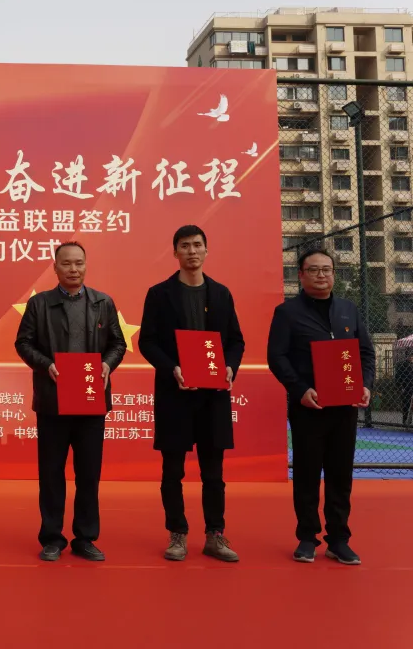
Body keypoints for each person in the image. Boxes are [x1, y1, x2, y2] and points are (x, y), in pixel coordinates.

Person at [137, 225, 244, 563]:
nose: (192, 251)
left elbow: (236, 341)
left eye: (197, 245)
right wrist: (172, 368)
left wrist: (230, 367)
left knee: (214, 472)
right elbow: (147, 342)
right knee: (173, 471)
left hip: (213, 396)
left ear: (206, 250)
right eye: (185, 246)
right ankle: (177, 533)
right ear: (175, 252)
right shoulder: (159, 294)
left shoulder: (222, 294)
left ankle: (215, 534)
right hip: (175, 394)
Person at [15, 241, 126, 562]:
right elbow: (23, 343)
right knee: (51, 474)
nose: (73, 269)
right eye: (66, 264)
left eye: (79, 263)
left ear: (86, 265)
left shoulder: (103, 303)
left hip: (91, 400)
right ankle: (52, 538)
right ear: (55, 267)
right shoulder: (39, 304)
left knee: (88, 473)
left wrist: (107, 364)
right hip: (53, 401)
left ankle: (85, 537)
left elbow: (117, 343)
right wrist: (45, 364)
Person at [267, 248, 374, 565]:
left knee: (341, 475)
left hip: (344, 408)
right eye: (313, 270)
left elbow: (365, 353)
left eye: (327, 269)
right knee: (307, 474)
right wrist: (299, 390)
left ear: (334, 274)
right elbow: (277, 357)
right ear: (301, 275)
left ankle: (339, 539)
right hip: (308, 408)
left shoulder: (348, 310)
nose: (321, 275)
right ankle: (307, 537)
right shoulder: (287, 313)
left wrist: (366, 385)